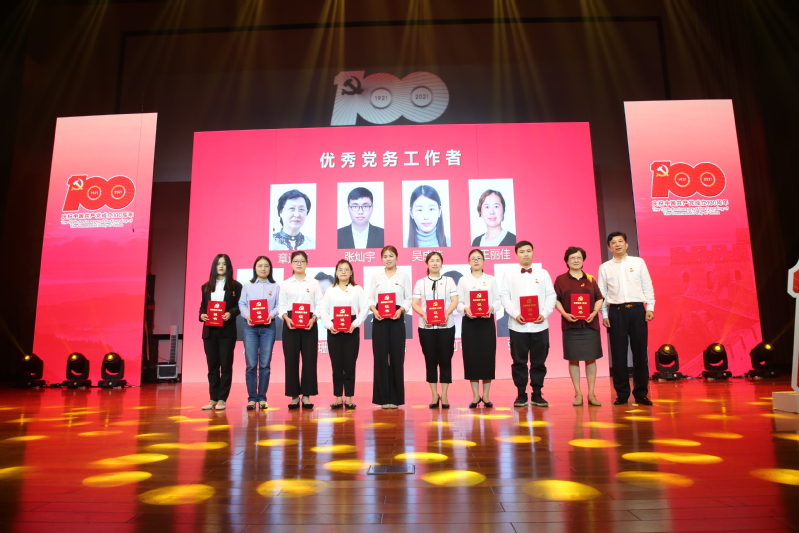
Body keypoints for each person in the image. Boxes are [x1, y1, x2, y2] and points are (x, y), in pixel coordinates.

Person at [598, 232, 655, 406]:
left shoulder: (638, 262)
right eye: (613, 242)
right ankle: (622, 394)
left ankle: (641, 393)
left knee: (640, 353)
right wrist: (605, 315)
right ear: (609, 247)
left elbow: (647, 285)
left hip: (637, 310)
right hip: (616, 312)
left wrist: (650, 307)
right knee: (618, 354)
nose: (617, 244)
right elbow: (602, 293)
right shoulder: (605, 267)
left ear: (626, 244)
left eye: (620, 241)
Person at [500, 241, 557, 407]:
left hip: (540, 325)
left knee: (539, 361)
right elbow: (504, 296)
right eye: (522, 251)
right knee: (519, 362)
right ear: (516, 254)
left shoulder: (543, 273)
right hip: (518, 326)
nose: (525, 254)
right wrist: (515, 314)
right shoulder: (509, 275)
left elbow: (551, 296)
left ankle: (537, 393)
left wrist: (544, 314)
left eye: (528, 251)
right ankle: (521, 394)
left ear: (533, 252)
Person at [554, 247, 605, 407]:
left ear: (583, 260)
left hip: (590, 324)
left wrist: (594, 312)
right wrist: (564, 314)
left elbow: (599, 298)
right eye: (572, 258)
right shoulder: (561, 280)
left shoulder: (590, 279)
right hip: (571, 326)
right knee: (573, 359)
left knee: (591, 359)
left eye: (579, 257)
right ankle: (578, 394)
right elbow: (555, 299)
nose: (576, 260)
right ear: (567, 261)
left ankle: (591, 394)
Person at [318, 260, 368, 409]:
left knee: (350, 365)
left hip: (351, 328)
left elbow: (365, 308)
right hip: (334, 329)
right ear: (336, 272)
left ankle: (349, 398)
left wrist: (355, 324)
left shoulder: (357, 289)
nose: (343, 272)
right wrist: (329, 325)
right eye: (340, 269)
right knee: (336, 365)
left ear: (351, 272)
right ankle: (338, 398)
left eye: (346, 269)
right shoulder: (330, 290)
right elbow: (323, 310)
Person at [367, 246, 412, 409]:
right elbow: (370, 297)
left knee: (397, 358)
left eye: (391, 256)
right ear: (381, 259)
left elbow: (408, 299)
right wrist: (374, 310)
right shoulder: (376, 276)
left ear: (396, 257)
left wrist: (401, 310)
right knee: (380, 358)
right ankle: (382, 398)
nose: (388, 259)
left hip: (397, 319)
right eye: (385, 256)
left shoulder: (404, 275)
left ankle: (395, 398)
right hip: (379, 319)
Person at [413, 251, 458, 409]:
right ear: (427, 263)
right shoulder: (421, 282)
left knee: (445, 360)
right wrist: (424, 314)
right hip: (426, 327)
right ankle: (434, 394)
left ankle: (444, 395)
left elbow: (455, 300)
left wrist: (446, 313)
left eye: (437, 260)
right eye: (431, 260)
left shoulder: (449, 281)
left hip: (446, 326)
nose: (434, 263)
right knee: (430, 360)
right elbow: (414, 303)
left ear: (441, 263)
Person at [278, 250, 322, 409]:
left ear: (307, 263)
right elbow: (281, 305)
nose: (299, 264)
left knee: (310, 359)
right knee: (291, 360)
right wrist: (286, 317)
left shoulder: (314, 283)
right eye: (296, 261)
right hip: (290, 322)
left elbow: (320, 304)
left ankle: (307, 395)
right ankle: (294, 396)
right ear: (291, 263)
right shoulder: (285, 284)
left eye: (302, 261)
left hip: (309, 321)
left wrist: (314, 318)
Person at [457, 249, 501, 408]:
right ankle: (475, 396)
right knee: (472, 358)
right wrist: (465, 309)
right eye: (473, 259)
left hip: (486, 322)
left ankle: (486, 396)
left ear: (484, 261)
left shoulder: (491, 280)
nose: (476, 261)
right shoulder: (463, 280)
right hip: (470, 323)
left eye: (479, 258)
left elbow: (497, 300)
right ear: (468, 262)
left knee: (487, 358)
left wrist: (491, 308)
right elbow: (459, 302)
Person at [199, 254, 242, 411]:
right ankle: (213, 398)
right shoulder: (206, 286)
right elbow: (203, 306)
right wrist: (202, 315)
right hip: (210, 331)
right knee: (212, 366)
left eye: (224, 264)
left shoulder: (236, 286)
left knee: (226, 365)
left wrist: (231, 313)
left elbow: (240, 306)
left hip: (226, 332)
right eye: (218, 264)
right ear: (214, 266)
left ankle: (222, 399)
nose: (221, 266)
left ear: (228, 266)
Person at [238, 256, 280, 410]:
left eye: (266, 266)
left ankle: (262, 397)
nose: (263, 268)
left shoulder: (275, 287)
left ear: (270, 269)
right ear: (255, 268)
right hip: (250, 327)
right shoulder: (247, 286)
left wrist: (271, 315)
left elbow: (279, 305)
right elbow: (242, 303)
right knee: (251, 364)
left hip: (268, 327)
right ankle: (251, 398)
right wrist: (247, 315)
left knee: (265, 364)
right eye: (260, 265)